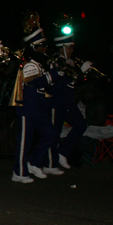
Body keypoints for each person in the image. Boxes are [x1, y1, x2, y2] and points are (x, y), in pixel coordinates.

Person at [12, 11, 66, 183]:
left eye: (45, 45)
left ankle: (34, 162)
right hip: (28, 107)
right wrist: (55, 73)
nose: (45, 49)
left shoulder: (40, 64)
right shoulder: (29, 64)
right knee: (24, 141)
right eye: (41, 45)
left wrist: (57, 70)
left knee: (50, 134)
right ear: (33, 47)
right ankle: (18, 172)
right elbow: (38, 83)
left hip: (39, 107)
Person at [44, 21, 89, 172]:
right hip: (56, 101)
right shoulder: (56, 61)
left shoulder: (70, 61)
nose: (72, 50)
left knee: (81, 125)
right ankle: (49, 164)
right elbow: (59, 81)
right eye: (70, 47)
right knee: (54, 133)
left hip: (68, 101)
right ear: (63, 47)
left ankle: (62, 152)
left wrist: (82, 75)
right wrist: (80, 73)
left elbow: (73, 83)